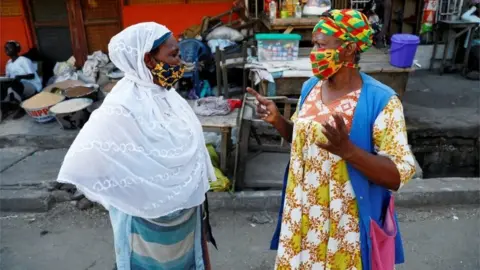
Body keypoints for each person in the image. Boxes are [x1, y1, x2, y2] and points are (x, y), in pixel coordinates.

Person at [248, 9, 416, 270]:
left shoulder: (381, 100)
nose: (314, 51)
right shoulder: (311, 87)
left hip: (345, 223)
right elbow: (307, 145)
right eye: (313, 44)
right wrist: (277, 120)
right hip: (303, 213)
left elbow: (397, 175)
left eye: (320, 45)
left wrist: (349, 151)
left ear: (348, 49)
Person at [56, 22, 216, 269]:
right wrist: (133, 189)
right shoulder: (120, 107)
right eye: (173, 55)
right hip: (142, 226)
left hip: (185, 216)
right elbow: (86, 163)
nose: (180, 63)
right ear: (148, 60)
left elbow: (192, 150)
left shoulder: (169, 97)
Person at [1, 41, 42, 119]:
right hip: (16, 85)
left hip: (31, 85)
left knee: (14, 85)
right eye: (5, 48)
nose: (6, 49)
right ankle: (4, 108)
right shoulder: (8, 63)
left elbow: (31, 75)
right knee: (3, 85)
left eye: (9, 47)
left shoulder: (24, 60)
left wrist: (19, 77)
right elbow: (7, 77)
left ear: (17, 49)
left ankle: (22, 108)